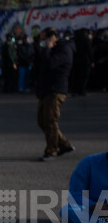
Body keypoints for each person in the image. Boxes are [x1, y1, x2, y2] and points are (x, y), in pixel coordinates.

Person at [35, 27, 75, 161]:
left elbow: (51, 64)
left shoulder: (64, 50)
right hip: (46, 91)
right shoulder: (52, 50)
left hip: (55, 90)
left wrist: (47, 48)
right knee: (42, 121)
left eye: (44, 39)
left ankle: (51, 151)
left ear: (53, 38)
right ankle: (64, 144)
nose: (42, 42)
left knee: (51, 122)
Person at [61, 152, 108, 223]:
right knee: (66, 211)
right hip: (93, 212)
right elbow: (75, 195)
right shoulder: (89, 163)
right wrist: (94, 206)